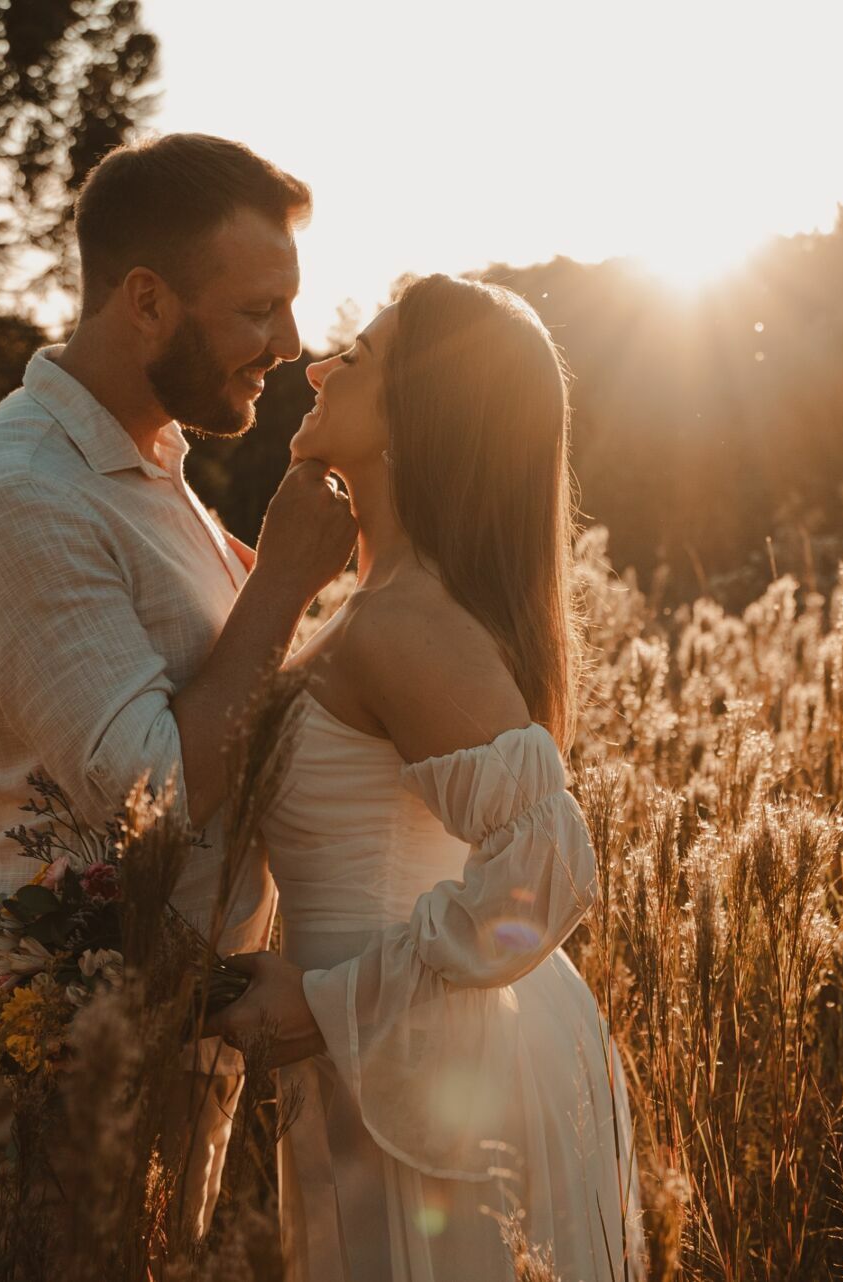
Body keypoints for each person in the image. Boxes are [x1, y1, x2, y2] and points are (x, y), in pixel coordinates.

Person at [0, 132, 357, 1236]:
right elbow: (145, 801)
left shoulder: (151, 468)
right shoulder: (20, 497)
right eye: (258, 309)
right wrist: (285, 583)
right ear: (147, 301)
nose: (290, 345)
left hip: (169, 1034)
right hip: (60, 1062)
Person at [207, 275, 644, 1279]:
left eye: (354, 358)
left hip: (431, 1067)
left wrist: (325, 1003)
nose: (315, 364)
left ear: (420, 419)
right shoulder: (368, 609)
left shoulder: (408, 626)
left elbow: (546, 872)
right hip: (393, 1057)